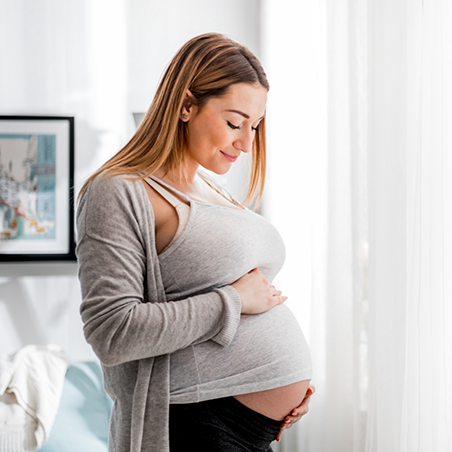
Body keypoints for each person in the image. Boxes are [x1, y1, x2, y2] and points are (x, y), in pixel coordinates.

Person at [76, 32, 314, 452]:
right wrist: (233, 301)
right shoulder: (119, 191)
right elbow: (111, 331)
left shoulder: (209, 187)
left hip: (245, 429)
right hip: (194, 424)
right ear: (186, 105)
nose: (246, 142)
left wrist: (272, 387)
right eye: (234, 122)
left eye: (255, 126)